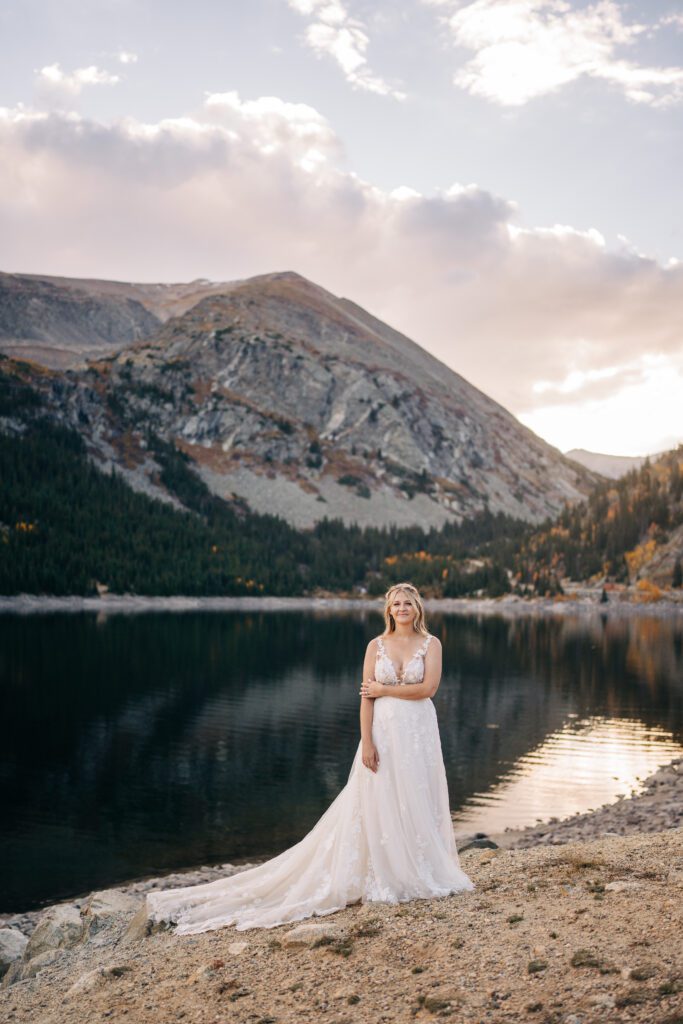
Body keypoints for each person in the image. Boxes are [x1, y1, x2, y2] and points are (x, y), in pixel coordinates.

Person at [145, 582, 474, 934]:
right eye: (396, 603)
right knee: (379, 799)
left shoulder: (431, 644)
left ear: (418, 608)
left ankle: (418, 867)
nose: (403, 608)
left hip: (417, 733)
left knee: (414, 795)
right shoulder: (375, 646)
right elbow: (366, 699)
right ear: (389, 610)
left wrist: (384, 690)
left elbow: (428, 689)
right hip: (383, 734)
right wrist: (366, 742)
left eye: (408, 602)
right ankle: (383, 867)